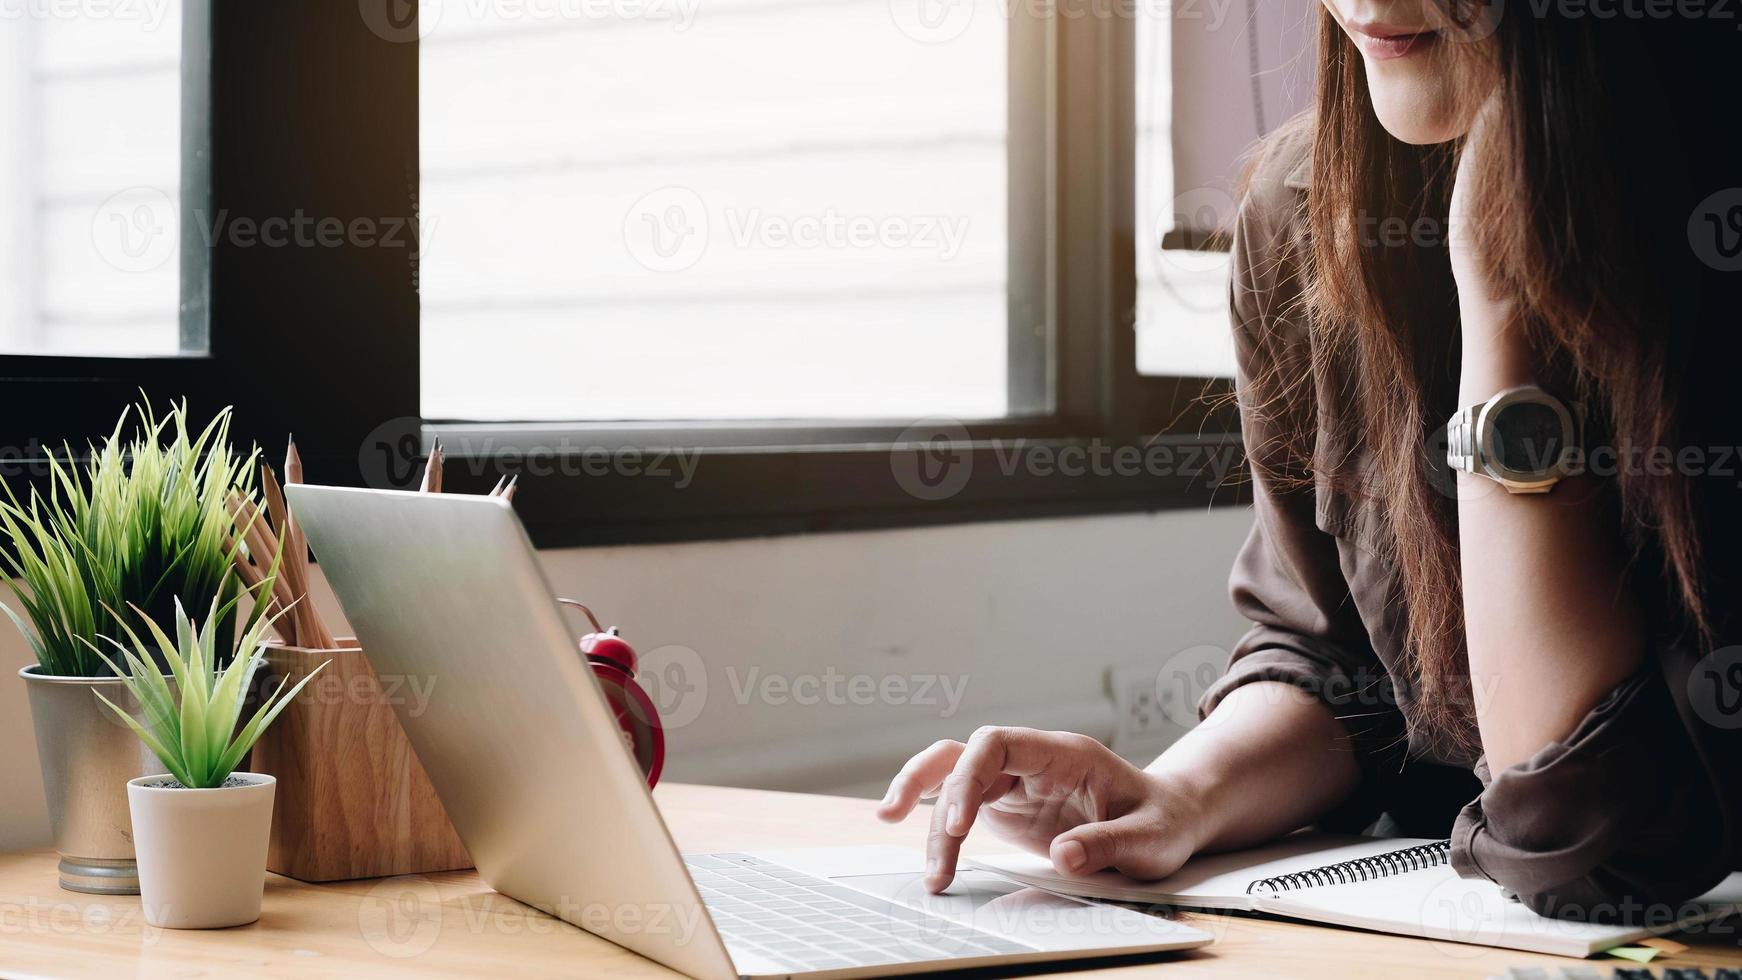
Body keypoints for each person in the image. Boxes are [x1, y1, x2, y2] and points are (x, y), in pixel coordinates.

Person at [878, 0, 1742, 919]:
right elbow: (1334, 655)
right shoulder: (1305, 209)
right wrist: (1180, 794)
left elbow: (1583, 849)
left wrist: (1501, 299)